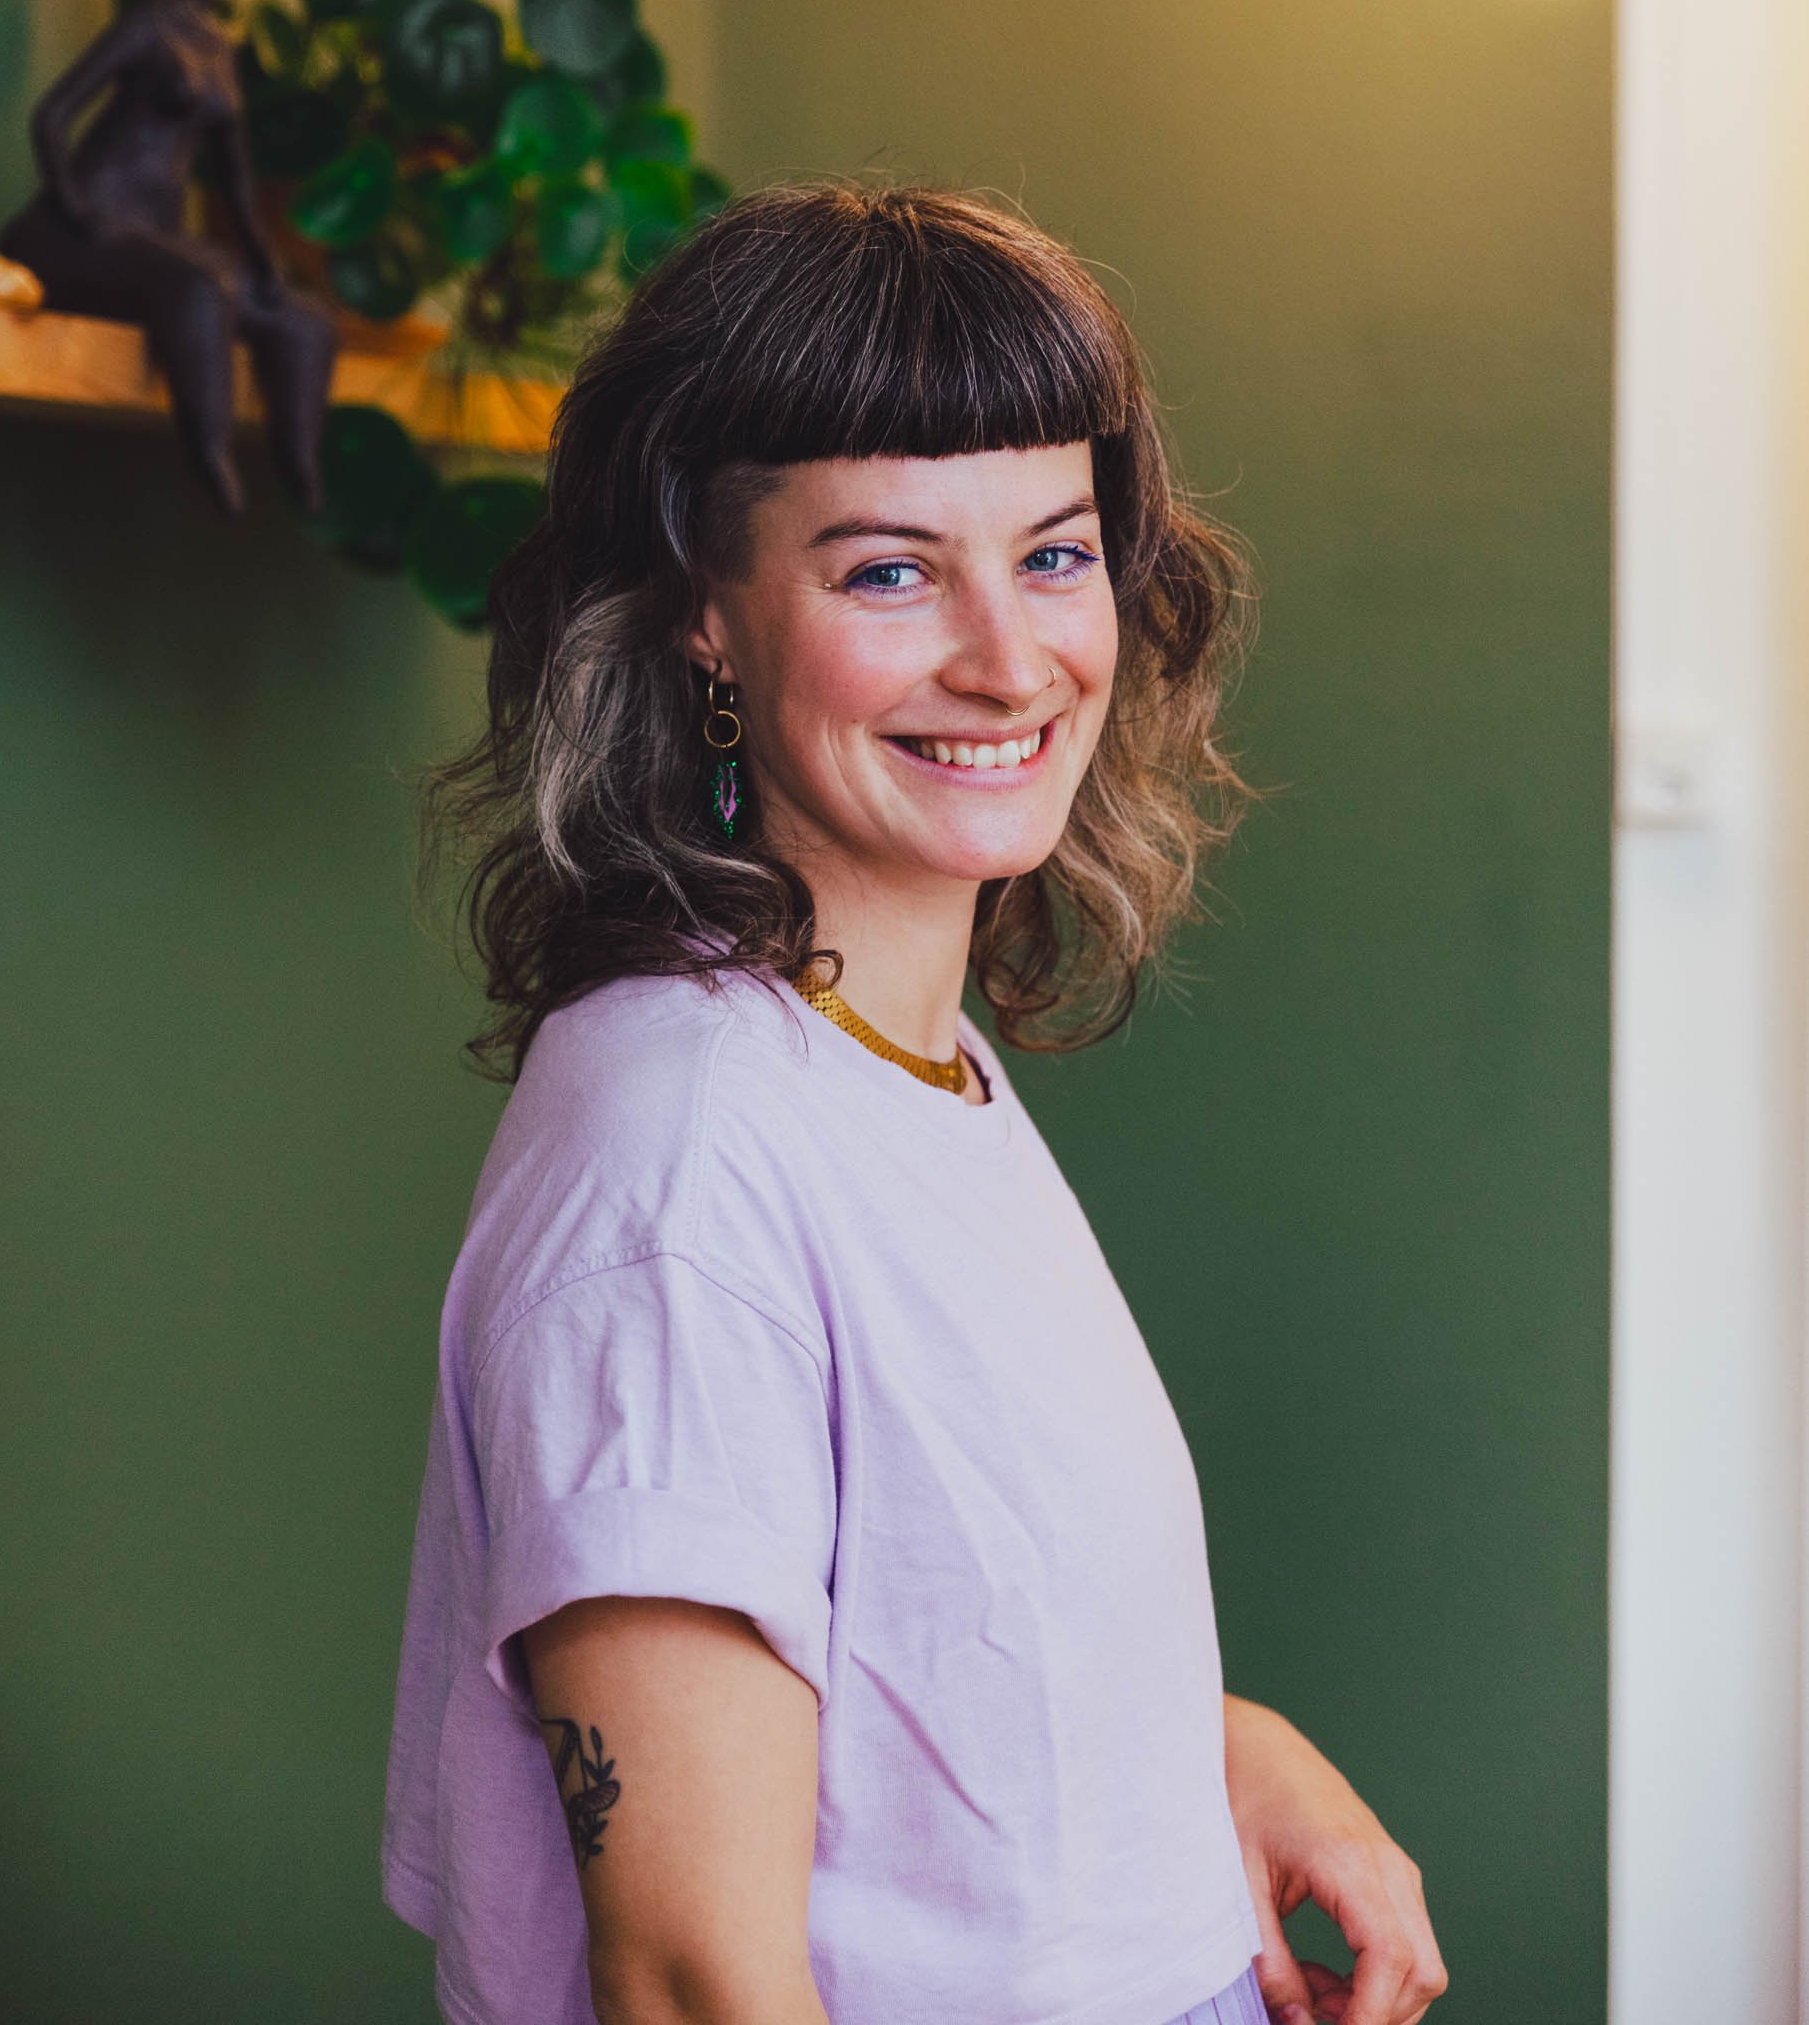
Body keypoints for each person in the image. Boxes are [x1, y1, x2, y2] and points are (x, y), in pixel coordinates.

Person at [382, 184, 1449, 2025]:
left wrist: (1212, 1750)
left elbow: (902, 1627)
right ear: (705, 620)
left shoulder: (881, 1041)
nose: (1011, 659)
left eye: (1052, 553)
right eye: (887, 569)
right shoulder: (680, 1183)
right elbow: (693, 1978)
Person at [0, 0, 336, 517]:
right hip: (94, 221)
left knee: (302, 316)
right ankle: (210, 452)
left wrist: (265, 261)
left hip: (158, 230)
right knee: (200, 285)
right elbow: (53, 115)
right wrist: (75, 209)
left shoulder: (218, 47)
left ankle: (301, 465)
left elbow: (234, 176)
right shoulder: (147, 26)